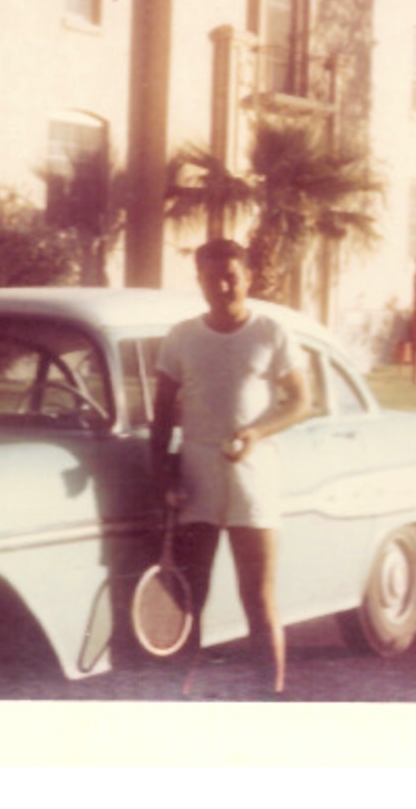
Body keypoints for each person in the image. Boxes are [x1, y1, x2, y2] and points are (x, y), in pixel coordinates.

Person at [150, 238, 310, 697]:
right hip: (197, 476)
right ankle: (176, 698)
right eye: (211, 278)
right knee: (187, 598)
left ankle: (272, 698)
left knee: (258, 600)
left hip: (254, 476)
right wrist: (163, 477)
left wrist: (255, 434)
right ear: (198, 281)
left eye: (232, 277)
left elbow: (302, 403)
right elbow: (161, 416)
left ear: (248, 278)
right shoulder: (181, 336)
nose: (223, 286)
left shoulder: (272, 332)